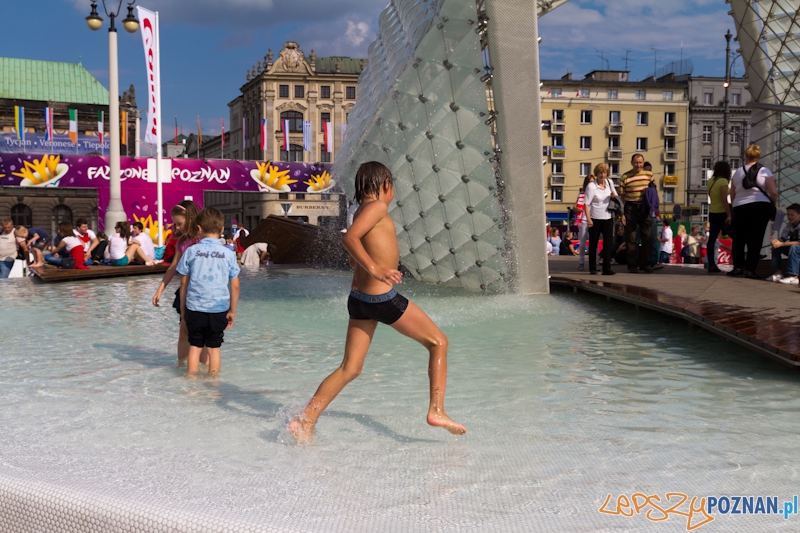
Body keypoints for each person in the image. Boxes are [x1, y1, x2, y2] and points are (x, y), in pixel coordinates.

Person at [289, 161, 466, 443]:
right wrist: (376, 268)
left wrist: (367, 262)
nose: (393, 192)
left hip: (359, 300)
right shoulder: (377, 208)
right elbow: (350, 240)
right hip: (380, 297)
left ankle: (305, 421)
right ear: (385, 184)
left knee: (351, 367)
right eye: (392, 186)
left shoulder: (361, 211)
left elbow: (352, 254)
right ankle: (437, 411)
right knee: (439, 342)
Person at [177, 207, 240, 377]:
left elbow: (184, 283)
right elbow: (234, 286)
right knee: (214, 349)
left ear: (198, 228)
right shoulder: (228, 254)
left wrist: (183, 309)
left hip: (194, 308)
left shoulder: (191, 251)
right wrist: (232, 311)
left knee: (195, 347)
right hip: (218, 308)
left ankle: (191, 381)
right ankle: (213, 383)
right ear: (221, 230)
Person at [152, 200, 208, 364]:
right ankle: (181, 365)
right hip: (186, 292)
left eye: (179, 223)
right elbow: (173, 266)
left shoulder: (203, 240)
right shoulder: (182, 242)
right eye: (175, 224)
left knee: (204, 332)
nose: (176, 227)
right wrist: (160, 289)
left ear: (191, 218)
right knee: (184, 330)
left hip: (202, 292)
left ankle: (205, 368)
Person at [729, 144, 778, 279]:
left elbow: (732, 193)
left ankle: (738, 267)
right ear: (758, 156)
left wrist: (734, 206)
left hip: (740, 207)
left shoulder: (737, 172)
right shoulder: (765, 171)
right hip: (760, 207)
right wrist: (773, 205)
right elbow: (773, 192)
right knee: (755, 239)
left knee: (739, 239)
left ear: (745, 156)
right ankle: (750, 270)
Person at [620, 154, 654, 273]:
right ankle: (632, 265)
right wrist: (622, 213)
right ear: (631, 163)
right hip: (630, 208)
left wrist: (655, 208)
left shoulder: (649, 175)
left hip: (645, 208)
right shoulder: (625, 176)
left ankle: (645, 264)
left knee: (647, 237)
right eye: (636, 162)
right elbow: (621, 197)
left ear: (643, 163)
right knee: (631, 238)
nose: (638, 165)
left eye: (640, 162)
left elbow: (654, 192)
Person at [584, 163, 617, 275]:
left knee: (608, 243)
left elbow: (615, 197)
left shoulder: (609, 183)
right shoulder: (591, 186)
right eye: (600, 173)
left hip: (608, 217)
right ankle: (593, 268)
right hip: (595, 218)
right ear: (596, 174)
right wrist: (588, 219)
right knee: (593, 243)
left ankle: (606, 268)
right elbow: (586, 204)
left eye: (604, 173)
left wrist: (613, 196)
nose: (602, 175)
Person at [706, 161, 732, 273]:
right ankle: (739, 262)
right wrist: (729, 214)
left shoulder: (710, 181)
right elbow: (724, 199)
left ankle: (711, 265)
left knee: (712, 239)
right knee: (734, 235)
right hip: (722, 213)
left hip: (712, 212)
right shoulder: (723, 181)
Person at [767, 203, 800, 284]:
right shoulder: (789, 225)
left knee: (794, 247)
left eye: (792, 215)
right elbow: (783, 238)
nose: (789, 217)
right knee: (776, 246)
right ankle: (778, 273)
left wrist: (782, 244)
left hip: (796, 248)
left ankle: (794, 277)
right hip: (794, 249)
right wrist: (777, 242)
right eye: (788, 215)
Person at [574, 176, 593, 270]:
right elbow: (574, 206)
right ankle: (581, 262)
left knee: (594, 242)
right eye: (590, 182)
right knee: (582, 242)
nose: (591, 184)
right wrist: (577, 208)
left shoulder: (595, 193)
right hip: (582, 219)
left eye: (593, 182)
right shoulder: (581, 194)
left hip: (593, 219)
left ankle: (595, 262)